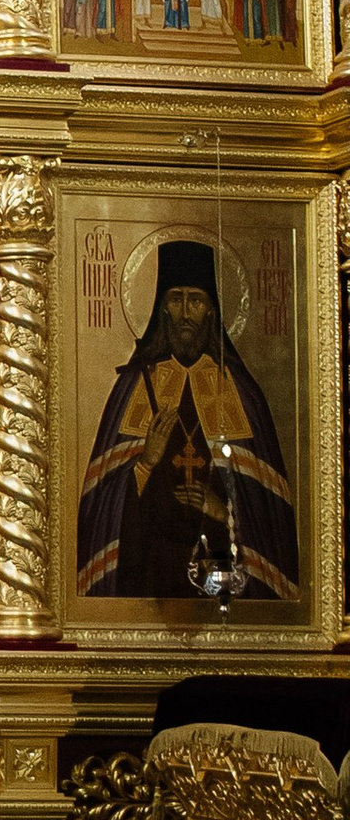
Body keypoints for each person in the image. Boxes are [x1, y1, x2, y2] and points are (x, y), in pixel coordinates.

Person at [75, 237, 297, 603]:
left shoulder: (241, 390)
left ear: (211, 309)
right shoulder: (134, 385)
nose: (184, 312)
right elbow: (101, 505)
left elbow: (267, 512)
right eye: (175, 299)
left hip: (222, 577)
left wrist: (222, 512)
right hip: (149, 573)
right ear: (162, 308)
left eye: (195, 299)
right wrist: (145, 463)